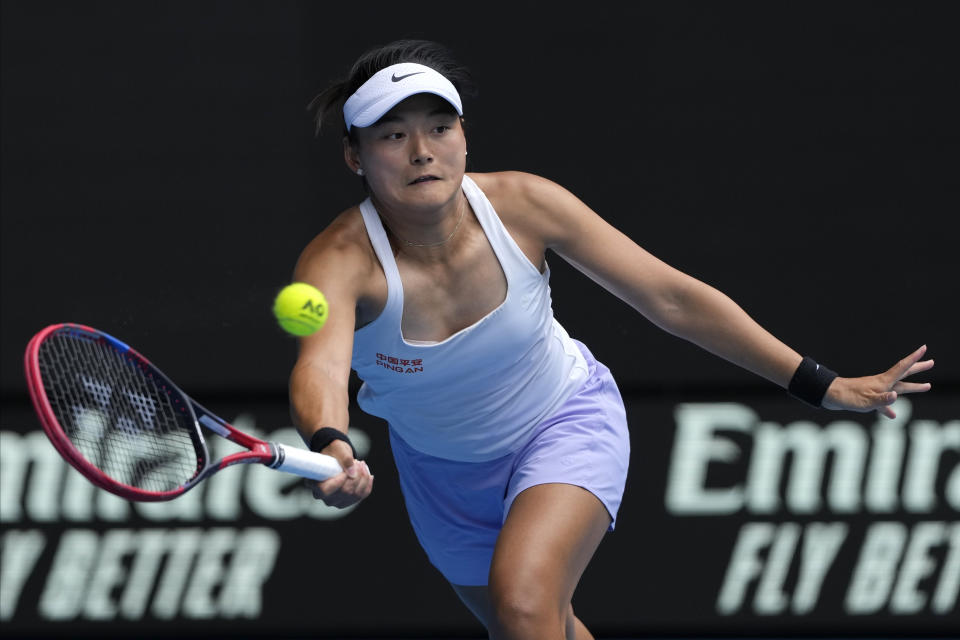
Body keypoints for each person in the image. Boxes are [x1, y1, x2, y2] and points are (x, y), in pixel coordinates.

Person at [287, 39, 934, 639]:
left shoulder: (526, 205)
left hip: (563, 421)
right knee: (542, 624)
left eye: (438, 127)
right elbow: (320, 368)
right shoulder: (338, 262)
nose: (422, 151)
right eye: (393, 136)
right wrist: (331, 443)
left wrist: (819, 384)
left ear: (464, 136)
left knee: (525, 603)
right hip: (442, 477)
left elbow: (670, 297)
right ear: (355, 156)